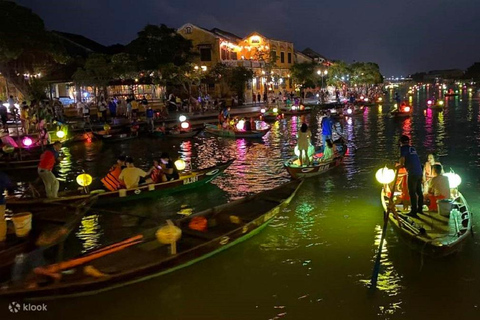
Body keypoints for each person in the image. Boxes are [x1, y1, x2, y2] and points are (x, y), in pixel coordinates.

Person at [397, 135, 424, 217]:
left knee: (412, 192)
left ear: (401, 142)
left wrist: (400, 165)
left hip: (412, 173)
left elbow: (402, 160)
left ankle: (413, 211)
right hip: (419, 172)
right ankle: (420, 209)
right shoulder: (412, 149)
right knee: (419, 191)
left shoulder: (403, 148)